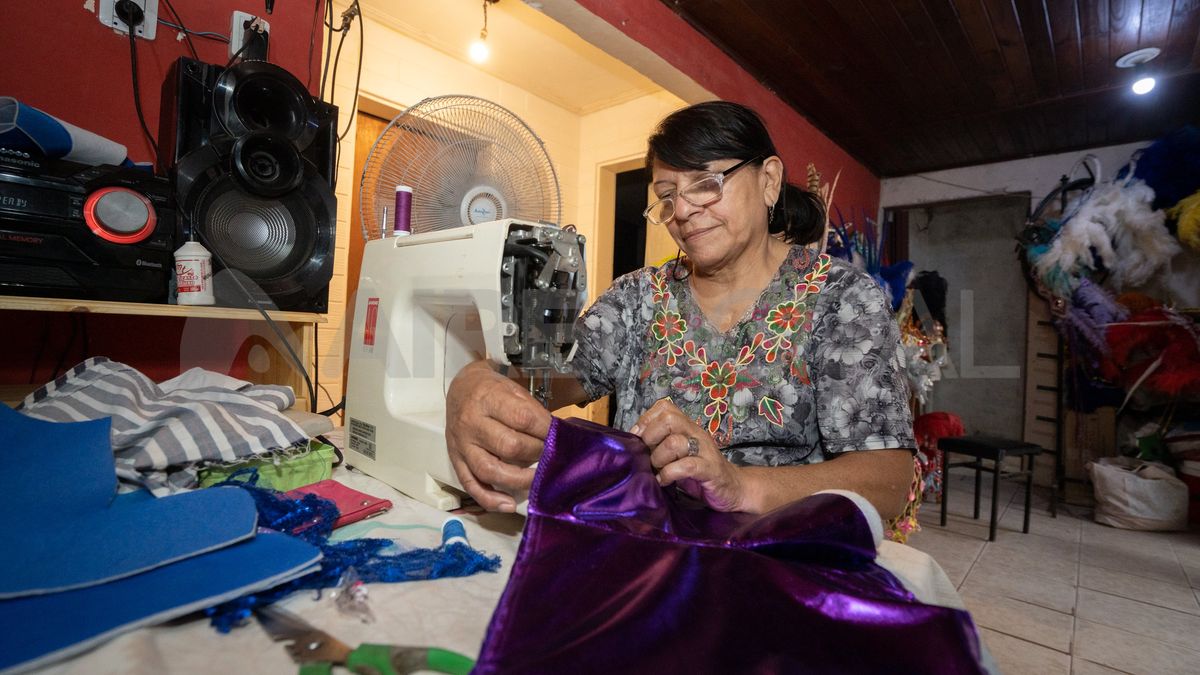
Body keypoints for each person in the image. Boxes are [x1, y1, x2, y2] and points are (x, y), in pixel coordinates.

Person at [446, 101, 915, 518]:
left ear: (769, 181)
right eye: (667, 198)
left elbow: (888, 480)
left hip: (781, 557)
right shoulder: (638, 299)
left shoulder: (839, 297)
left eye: (706, 184)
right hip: (648, 547)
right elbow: (543, 378)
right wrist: (476, 378)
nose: (684, 211)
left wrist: (739, 485)